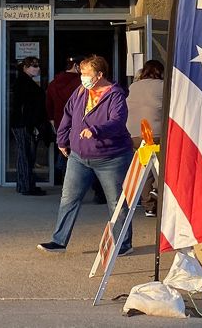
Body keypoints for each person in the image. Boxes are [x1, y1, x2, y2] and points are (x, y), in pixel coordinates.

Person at [38, 55, 134, 254]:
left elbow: (117, 121)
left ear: (99, 75)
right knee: (68, 199)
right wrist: (62, 140)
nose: (82, 77)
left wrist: (96, 130)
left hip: (111, 157)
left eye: (86, 73)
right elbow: (67, 116)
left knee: (117, 202)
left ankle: (123, 244)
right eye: (82, 73)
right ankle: (59, 241)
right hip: (79, 156)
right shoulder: (81, 91)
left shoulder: (115, 95)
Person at [46, 55, 105, 202]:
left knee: (70, 164)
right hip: (83, 128)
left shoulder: (54, 83)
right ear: (77, 67)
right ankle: (98, 192)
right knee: (92, 161)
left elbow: (49, 105)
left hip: (62, 125)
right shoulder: (79, 87)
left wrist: (54, 123)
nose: (83, 75)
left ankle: (70, 193)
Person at [126, 60, 164, 217]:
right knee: (164, 164)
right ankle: (156, 189)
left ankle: (149, 206)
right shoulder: (162, 85)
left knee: (145, 169)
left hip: (133, 135)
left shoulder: (133, 86)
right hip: (155, 135)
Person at [9, 56, 47, 196]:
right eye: (33, 66)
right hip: (24, 124)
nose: (37, 68)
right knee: (25, 155)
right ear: (25, 68)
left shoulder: (25, 82)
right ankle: (26, 186)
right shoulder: (23, 83)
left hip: (25, 123)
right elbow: (25, 107)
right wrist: (32, 125)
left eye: (38, 66)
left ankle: (26, 184)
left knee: (26, 155)